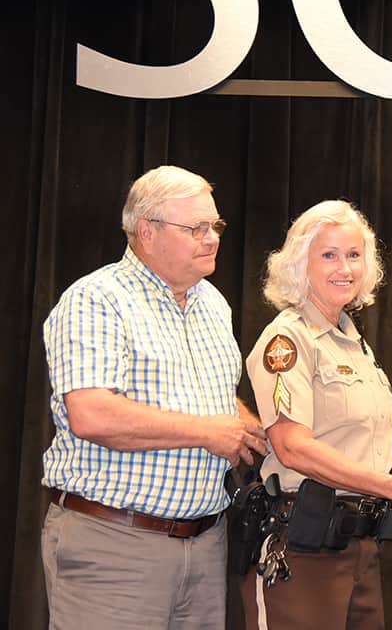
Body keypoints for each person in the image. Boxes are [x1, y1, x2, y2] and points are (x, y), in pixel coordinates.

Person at [40, 165, 268, 630]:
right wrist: (207, 432)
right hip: (114, 543)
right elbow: (92, 414)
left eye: (215, 226)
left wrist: (245, 424)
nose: (212, 238)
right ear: (147, 231)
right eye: (196, 228)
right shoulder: (96, 299)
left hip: (206, 545)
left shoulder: (212, 303)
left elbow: (213, 397)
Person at [241, 199, 392, 630]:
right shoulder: (288, 339)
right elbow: (292, 448)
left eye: (354, 255)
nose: (345, 268)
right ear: (300, 264)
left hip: (359, 549)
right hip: (301, 549)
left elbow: (356, 448)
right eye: (329, 255)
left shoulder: (354, 343)